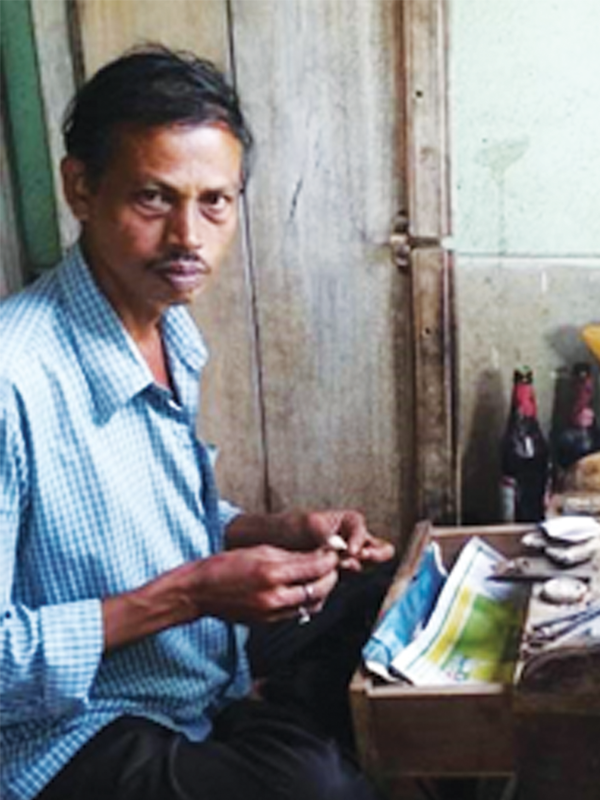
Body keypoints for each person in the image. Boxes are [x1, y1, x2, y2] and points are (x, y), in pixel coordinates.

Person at [0, 45, 395, 800]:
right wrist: (189, 596)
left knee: (376, 599)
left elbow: (147, 520)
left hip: (188, 670)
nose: (189, 237)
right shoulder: (12, 376)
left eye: (215, 201)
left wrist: (274, 530)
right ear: (79, 188)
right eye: (154, 198)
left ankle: (259, 739)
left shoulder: (166, 330)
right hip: (58, 729)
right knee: (316, 788)